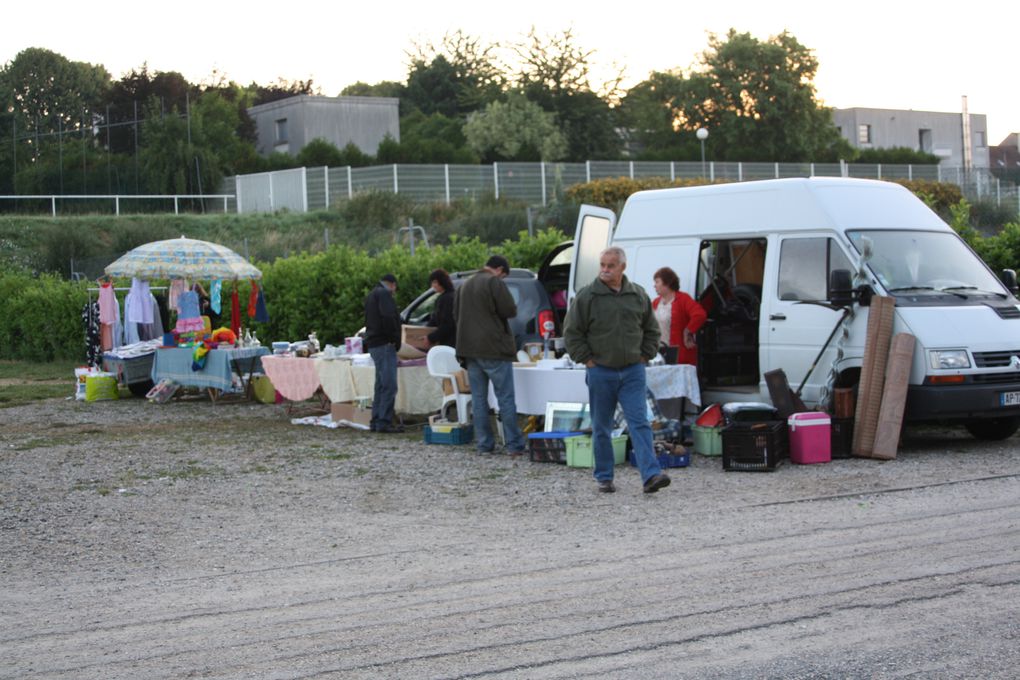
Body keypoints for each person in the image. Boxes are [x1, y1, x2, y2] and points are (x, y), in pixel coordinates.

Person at [564, 246, 671, 494]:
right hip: (601, 371)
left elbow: (651, 329)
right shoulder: (587, 296)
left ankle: (650, 476)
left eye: (610, 265)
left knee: (640, 422)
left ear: (622, 267)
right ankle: (604, 477)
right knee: (602, 426)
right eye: (602, 264)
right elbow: (572, 332)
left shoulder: (638, 295)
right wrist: (587, 360)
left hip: (633, 370)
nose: (605, 269)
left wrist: (645, 354)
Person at [454, 255, 526, 457]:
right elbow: (509, 310)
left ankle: (484, 444)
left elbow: (456, 316)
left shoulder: (464, 285)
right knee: (505, 398)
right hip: (494, 348)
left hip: (469, 349)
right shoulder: (493, 282)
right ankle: (514, 444)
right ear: (500, 270)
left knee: (478, 399)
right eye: (504, 276)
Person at [363, 274, 403, 433]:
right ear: (392, 285)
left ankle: (376, 420)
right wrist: (394, 338)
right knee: (389, 385)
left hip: (374, 344)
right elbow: (388, 317)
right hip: (384, 343)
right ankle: (384, 422)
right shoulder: (384, 294)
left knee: (380, 384)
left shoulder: (372, 294)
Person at [651, 266, 707, 365]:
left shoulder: (683, 299)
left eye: (657, 282)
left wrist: (688, 331)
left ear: (667, 283)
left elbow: (700, 315)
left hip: (680, 356)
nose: (654, 286)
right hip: (659, 355)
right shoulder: (655, 302)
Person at [422, 268, 456, 349]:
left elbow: (448, 324)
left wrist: (431, 338)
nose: (433, 286)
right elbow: (435, 319)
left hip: (450, 344)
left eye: (435, 282)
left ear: (442, 281)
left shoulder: (447, 299)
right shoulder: (448, 296)